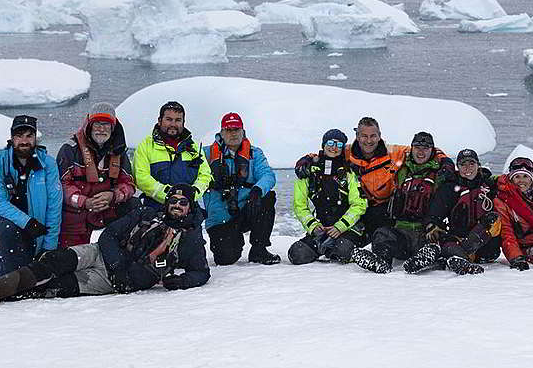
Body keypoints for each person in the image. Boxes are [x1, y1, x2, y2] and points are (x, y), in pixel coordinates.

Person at [0, 184, 210, 307]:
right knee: (53, 262)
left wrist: (181, 281)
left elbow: (201, 272)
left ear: (190, 206)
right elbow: (109, 234)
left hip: (114, 281)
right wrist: (116, 261)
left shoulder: (191, 239)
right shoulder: (144, 213)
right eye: (173, 200)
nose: (177, 205)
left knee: (59, 285)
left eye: (183, 202)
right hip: (101, 254)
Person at [0, 115, 62, 287]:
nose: (24, 141)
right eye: (19, 136)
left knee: (36, 272)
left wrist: (48, 247)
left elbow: (54, 206)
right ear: (12, 138)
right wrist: (27, 222)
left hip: (37, 228)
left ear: (35, 138)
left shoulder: (48, 164)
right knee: (20, 276)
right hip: (10, 224)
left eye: (29, 136)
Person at [352, 131, 449, 274]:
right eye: (417, 147)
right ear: (412, 149)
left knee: (435, 246)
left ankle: (425, 260)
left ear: (432, 150)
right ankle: (382, 261)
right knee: (382, 234)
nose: (421, 152)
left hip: (426, 231)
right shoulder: (402, 169)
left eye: (426, 148)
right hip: (401, 231)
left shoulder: (440, 173)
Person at [56, 102, 138, 247]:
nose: (101, 129)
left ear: (113, 128)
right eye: (97, 124)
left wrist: (114, 196)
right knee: (72, 256)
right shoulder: (69, 150)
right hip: (76, 212)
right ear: (89, 125)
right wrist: (84, 201)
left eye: (106, 125)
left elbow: (129, 184)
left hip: (107, 210)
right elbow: (61, 185)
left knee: (135, 206)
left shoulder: (119, 152)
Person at [408, 148, 502, 275]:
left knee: (493, 219)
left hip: (485, 246)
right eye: (463, 164)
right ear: (457, 167)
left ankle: (453, 256)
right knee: (440, 237)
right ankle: (455, 258)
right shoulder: (449, 188)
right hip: (457, 238)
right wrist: (432, 226)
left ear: (478, 165)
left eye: (471, 163)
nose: (467, 168)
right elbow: (434, 215)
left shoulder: (489, 185)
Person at [203, 112, 279, 265]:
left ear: (243, 132)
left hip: (247, 208)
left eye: (236, 129)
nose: (233, 134)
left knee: (267, 197)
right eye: (229, 130)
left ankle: (259, 249)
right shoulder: (206, 154)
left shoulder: (254, 153)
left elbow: (268, 175)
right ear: (222, 133)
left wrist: (257, 190)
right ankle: (231, 241)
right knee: (225, 259)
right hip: (220, 216)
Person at [288, 129, 368, 265]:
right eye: (330, 143)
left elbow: (359, 204)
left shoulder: (349, 171)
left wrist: (340, 227)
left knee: (342, 251)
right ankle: (324, 246)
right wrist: (313, 226)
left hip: (346, 227)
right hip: (321, 227)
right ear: (323, 144)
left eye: (339, 145)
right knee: (297, 254)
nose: (334, 147)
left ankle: (339, 248)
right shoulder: (307, 170)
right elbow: (299, 205)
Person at [132, 100, 212, 210]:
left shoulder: (194, 147)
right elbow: (141, 177)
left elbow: (205, 175)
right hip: (154, 208)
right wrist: (168, 194)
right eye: (169, 119)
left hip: (188, 209)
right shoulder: (145, 146)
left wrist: (192, 194)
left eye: (178, 120)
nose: (173, 124)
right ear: (160, 121)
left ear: (183, 122)